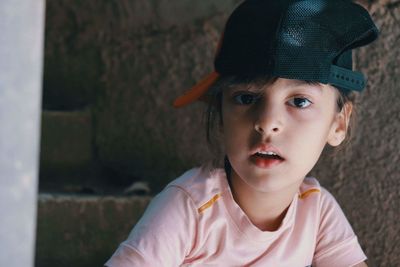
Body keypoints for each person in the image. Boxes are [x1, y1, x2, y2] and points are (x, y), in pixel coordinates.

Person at [105, 0, 379, 266]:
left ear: (339, 124)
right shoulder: (189, 207)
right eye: (246, 98)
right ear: (221, 115)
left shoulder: (316, 210)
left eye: (299, 101)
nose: (267, 122)